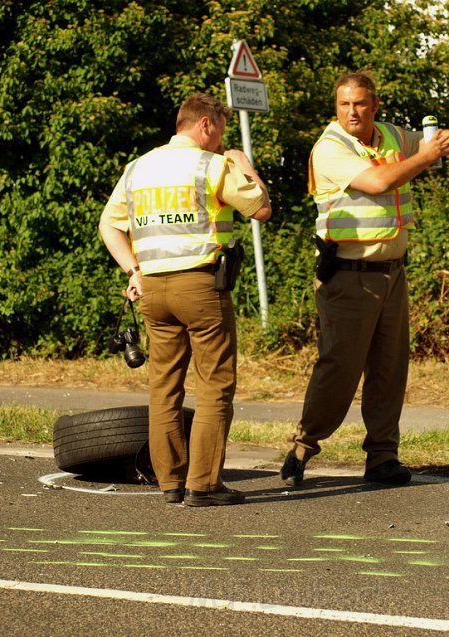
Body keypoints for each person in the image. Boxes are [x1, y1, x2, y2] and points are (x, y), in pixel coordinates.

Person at [281, 72, 449, 487]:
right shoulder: (330, 148)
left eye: (360, 103)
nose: (352, 112)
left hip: (391, 274)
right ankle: (303, 446)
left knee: (389, 369)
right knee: (339, 370)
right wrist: (426, 156)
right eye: (344, 104)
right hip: (347, 276)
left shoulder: (391, 134)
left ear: (375, 105)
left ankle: (382, 456)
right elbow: (380, 181)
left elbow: (441, 138)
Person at [99, 92, 271, 507]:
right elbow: (261, 207)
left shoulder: (137, 167)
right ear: (206, 125)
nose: (220, 141)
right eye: (220, 132)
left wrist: (133, 271)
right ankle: (204, 485)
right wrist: (244, 165)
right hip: (200, 287)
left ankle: (170, 482)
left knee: (164, 388)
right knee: (214, 386)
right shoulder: (213, 164)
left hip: (152, 291)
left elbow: (109, 225)